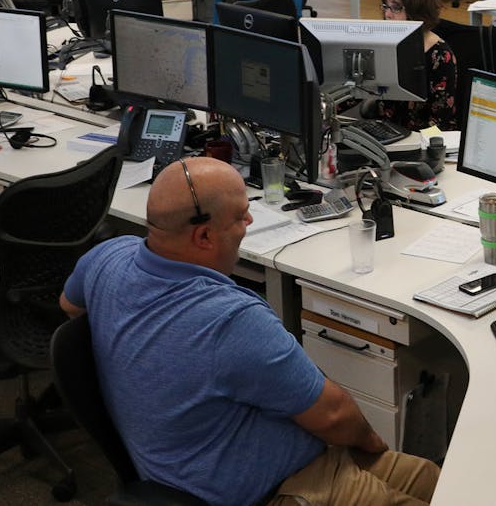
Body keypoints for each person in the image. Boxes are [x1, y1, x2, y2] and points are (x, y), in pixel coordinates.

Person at [60, 156, 441, 506]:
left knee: (436, 479)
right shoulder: (229, 320)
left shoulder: (107, 257)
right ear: (205, 237)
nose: (249, 223)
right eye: (241, 216)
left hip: (240, 455)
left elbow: (70, 308)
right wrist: (373, 446)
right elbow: (334, 417)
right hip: (272, 490)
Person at [370, 0, 457, 132]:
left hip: (422, 139)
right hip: (386, 132)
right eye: (386, 7)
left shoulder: (440, 56)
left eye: (396, 8)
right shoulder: (384, 44)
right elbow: (362, 87)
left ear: (416, 12)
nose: (387, 14)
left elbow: (440, 120)